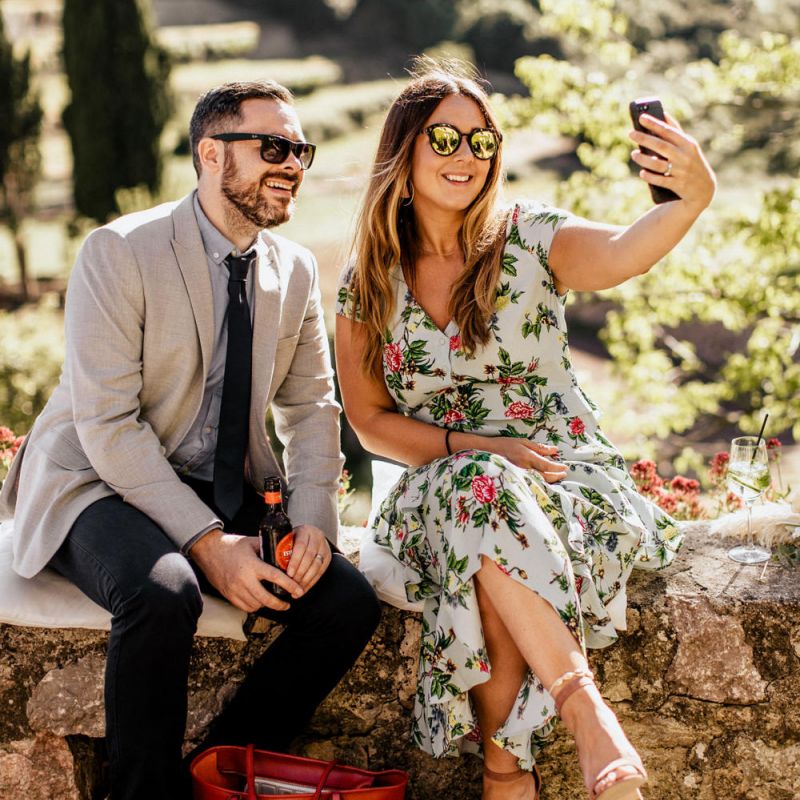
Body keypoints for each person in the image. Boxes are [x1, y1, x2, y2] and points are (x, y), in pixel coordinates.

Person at [335, 60, 715, 800]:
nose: (467, 155)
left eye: (482, 141)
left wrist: (690, 200)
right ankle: (584, 715)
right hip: (440, 484)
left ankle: (507, 773)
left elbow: (621, 254)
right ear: (403, 154)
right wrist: (479, 448)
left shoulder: (530, 238)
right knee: (479, 493)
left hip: (560, 472)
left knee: (487, 543)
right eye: (445, 138)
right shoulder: (369, 279)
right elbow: (370, 421)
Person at [0, 80, 381, 800]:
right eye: (274, 147)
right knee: (164, 588)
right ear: (211, 153)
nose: (292, 164)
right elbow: (108, 426)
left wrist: (312, 525)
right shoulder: (118, 251)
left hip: (219, 482)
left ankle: (211, 781)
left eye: (300, 151)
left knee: (347, 601)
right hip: (93, 480)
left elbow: (310, 408)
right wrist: (209, 545)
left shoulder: (296, 269)